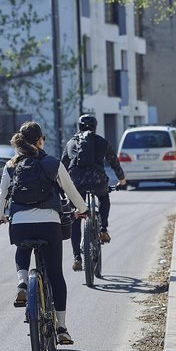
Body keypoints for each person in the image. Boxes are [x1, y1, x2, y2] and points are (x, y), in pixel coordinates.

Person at [0, 121, 88, 345]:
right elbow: (71, 191)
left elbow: (2, 197)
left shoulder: (11, 165)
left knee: (22, 246)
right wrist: (82, 210)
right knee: (55, 275)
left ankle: (23, 284)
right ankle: (62, 328)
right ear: (40, 141)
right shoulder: (52, 163)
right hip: (49, 224)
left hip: (20, 224)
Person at [61, 114, 126, 271]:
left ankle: (77, 257)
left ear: (79, 127)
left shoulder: (71, 143)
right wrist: (122, 181)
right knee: (104, 198)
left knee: (76, 217)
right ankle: (103, 229)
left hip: (76, 184)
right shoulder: (102, 142)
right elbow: (114, 162)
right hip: (98, 182)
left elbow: (62, 165)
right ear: (95, 127)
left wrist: (62, 187)